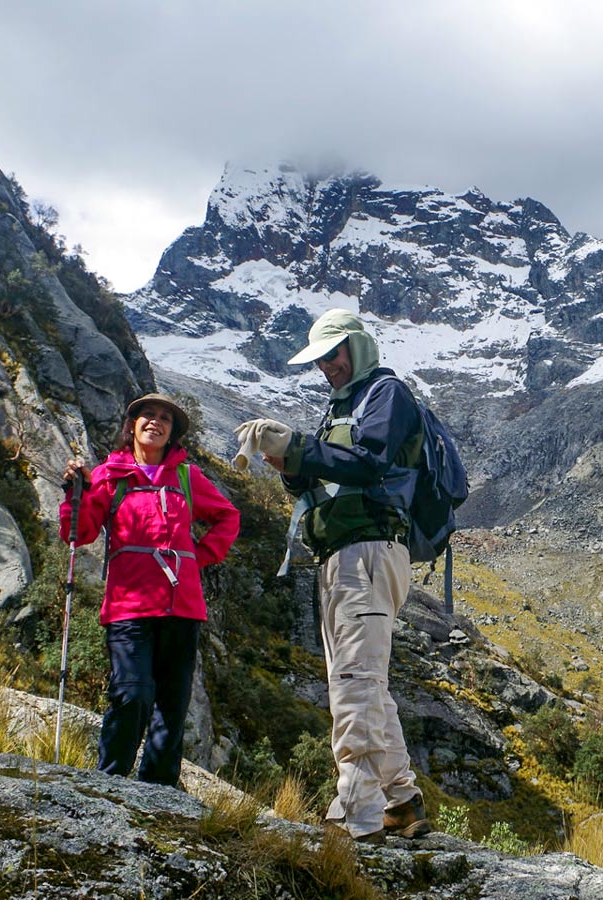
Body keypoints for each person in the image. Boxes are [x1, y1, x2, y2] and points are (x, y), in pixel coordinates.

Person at [235, 308, 431, 843]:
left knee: (354, 684)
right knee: (365, 684)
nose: (326, 366)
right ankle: (402, 802)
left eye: (332, 354)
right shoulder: (340, 407)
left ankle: (355, 818)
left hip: (365, 554)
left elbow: (368, 464)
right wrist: (289, 465)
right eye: (319, 359)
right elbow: (319, 487)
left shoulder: (386, 395)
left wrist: (297, 447)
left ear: (357, 347)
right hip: (342, 558)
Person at [60, 392, 239, 787]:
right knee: (132, 693)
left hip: (183, 609)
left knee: (172, 706)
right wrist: (75, 492)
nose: (155, 422)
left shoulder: (188, 478)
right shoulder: (111, 476)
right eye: (147, 415)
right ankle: (110, 782)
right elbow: (81, 531)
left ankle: (157, 792)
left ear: (172, 433)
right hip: (128, 606)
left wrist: (197, 557)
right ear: (133, 425)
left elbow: (228, 517)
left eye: (165, 419)